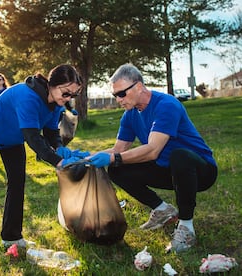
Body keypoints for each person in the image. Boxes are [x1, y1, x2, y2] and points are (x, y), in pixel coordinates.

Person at [0, 64, 88, 261]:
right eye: (66, 93)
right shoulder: (27, 96)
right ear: (52, 84)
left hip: (12, 139)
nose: (68, 99)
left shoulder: (56, 103)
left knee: (17, 182)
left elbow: (50, 132)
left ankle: (11, 236)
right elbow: (33, 138)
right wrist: (59, 161)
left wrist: (59, 146)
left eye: (73, 95)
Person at [88, 63, 217, 253]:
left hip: (200, 171)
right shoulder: (130, 115)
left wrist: (114, 158)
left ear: (139, 86)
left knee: (179, 156)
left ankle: (186, 227)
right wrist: (85, 156)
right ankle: (162, 210)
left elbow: (152, 150)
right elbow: (119, 149)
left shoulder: (166, 105)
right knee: (116, 168)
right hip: (169, 170)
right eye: (115, 95)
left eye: (122, 93)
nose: (118, 100)